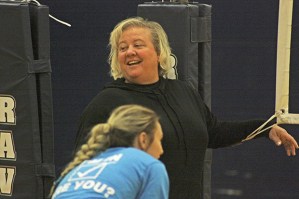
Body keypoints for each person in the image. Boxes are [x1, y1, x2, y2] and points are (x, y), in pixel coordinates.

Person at [74, 17, 299, 198]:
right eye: (122, 48)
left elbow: (213, 132)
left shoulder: (183, 91)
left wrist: (266, 128)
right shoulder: (107, 103)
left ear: (159, 52)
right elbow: (85, 170)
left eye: (138, 45)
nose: (129, 51)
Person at [51, 104, 169, 199]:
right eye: (159, 140)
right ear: (143, 139)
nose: (161, 150)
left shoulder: (80, 167)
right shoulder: (149, 165)